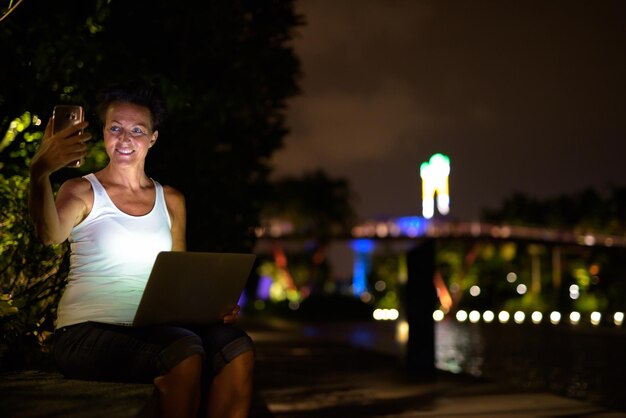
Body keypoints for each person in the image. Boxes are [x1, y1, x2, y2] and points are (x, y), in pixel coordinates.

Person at [28, 81, 255, 418]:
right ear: (104, 133)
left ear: (153, 138)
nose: (125, 138)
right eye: (115, 128)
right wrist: (39, 173)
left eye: (137, 129)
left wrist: (211, 308)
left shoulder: (172, 200)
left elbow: (179, 279)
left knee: (237, 346)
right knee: (184, 350)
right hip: (84, 332)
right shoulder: (81, 190)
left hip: (154, 328)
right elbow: (49, 234)